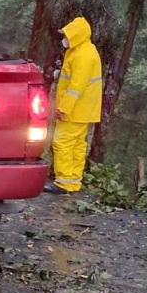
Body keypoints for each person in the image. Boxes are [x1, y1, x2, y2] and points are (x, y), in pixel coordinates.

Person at [44, 17, 102, 195]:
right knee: (77, 145)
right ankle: (73, 182)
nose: (64, 38)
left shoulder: (82, 55)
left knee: (62, 143)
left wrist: (63, 108)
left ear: (76, 36)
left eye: (68, 35)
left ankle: (63, 182)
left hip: (75, 110)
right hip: (83, 110)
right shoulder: (83, 50)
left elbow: (76, 87)